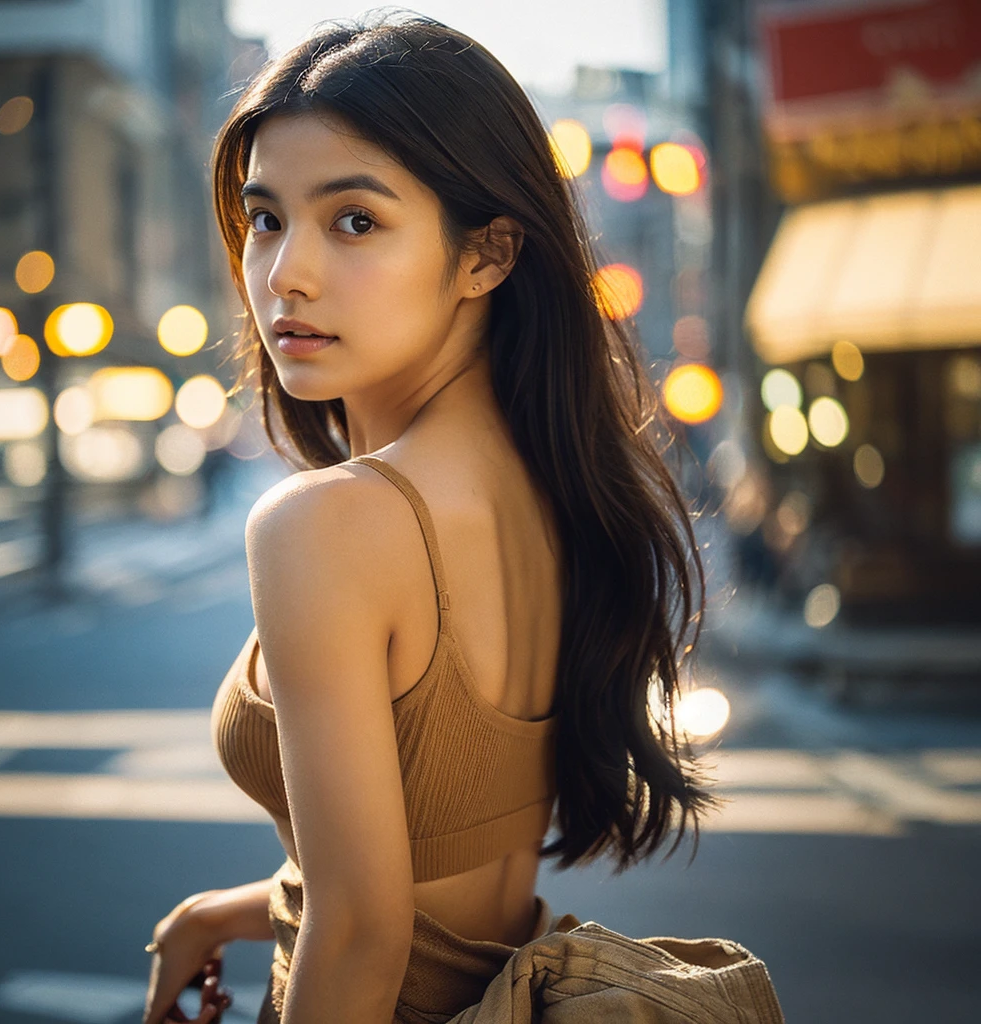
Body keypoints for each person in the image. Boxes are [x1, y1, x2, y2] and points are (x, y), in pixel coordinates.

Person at [142, 12, 782, 1024]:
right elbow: (436, 864)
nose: (285, 273)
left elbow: (361, 938)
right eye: (266, 217)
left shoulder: (328, 524)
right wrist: (231, 912)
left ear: (487, 254)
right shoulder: (554, 484)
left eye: (354, 220)